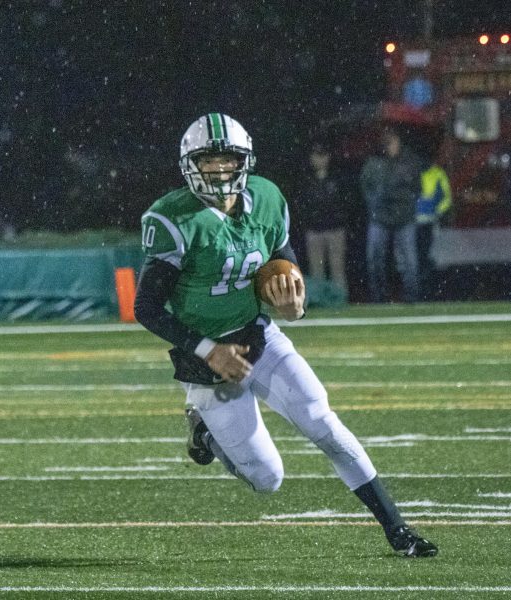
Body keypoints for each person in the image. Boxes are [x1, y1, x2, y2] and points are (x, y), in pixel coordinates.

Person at [134, 113, 438, 557]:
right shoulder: (173, 218)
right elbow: (145, 307)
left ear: (245, 161)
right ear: (189, 165)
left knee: (324, 423)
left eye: (228, 161)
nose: (220, 172)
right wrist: (208, 350)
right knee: (267, 478)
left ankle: (398, 530)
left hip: (260, 335)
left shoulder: (267, 198)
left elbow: (284, 263)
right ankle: (205, 433)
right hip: (206, 362)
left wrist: (295, 304)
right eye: (209, 162)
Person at [360, 127, 423, 303]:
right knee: (375, 259)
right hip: (380, 217)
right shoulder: (374, 163)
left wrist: (402, 201)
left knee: (409, 261)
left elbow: (417, 189)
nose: (389, 146)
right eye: (386, 143)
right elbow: (366, 187)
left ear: (398, 141)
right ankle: (378, 298)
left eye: (392, 141)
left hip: (403, 218)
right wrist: (375, 204)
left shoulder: (410, 162)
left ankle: (412, 297)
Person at [298, 141, 349, 294]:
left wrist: (340, 219)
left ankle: (339, 300)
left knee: (337, 269)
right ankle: (320, 300)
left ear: (328, 157)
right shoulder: (306, 179)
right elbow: (302, 204)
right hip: (314, 230)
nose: (319, 159)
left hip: (335, 229)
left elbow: (345, 202)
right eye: (316, 156)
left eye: (322, 155)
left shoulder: (337, 178)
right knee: (316, 271)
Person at [416, 162, 452, 300]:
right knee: (416, 257)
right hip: (412, 223)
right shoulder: (413, 171)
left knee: (427, 255)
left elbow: (446, 198)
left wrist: (436, 212)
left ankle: (428, 291)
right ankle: (419, 291)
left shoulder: (437, 173)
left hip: (429, 222)